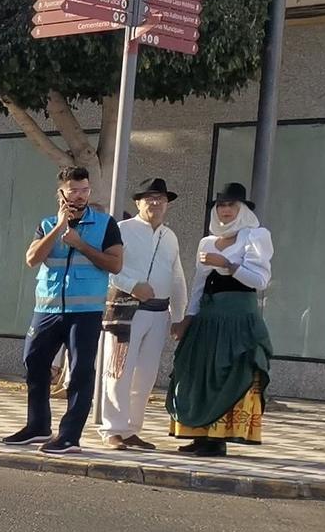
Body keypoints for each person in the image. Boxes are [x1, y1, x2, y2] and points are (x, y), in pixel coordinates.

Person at [3, 166, 124, 455]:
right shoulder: (46, 224)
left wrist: (80, 244)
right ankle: (37, 425)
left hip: (86, 311)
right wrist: (59, 228)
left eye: (84, 190)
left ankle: (69, 436)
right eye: (73, 190)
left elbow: (115, 264)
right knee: (34, 361)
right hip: (47, 308)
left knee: (81, 371)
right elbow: (32, 259)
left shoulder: (106, 224)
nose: (79, 196)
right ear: (61, 193)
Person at [167, 182, 273, 457]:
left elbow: (260, 280)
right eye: (221, 205)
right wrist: (187, 319)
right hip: (208, 318)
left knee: (230, 372)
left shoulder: (255, 236)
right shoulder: (207, 242)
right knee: (197, 372)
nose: (225, 210)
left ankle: (219, 438)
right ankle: (199, 434)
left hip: (238, 318)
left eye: (231, 205)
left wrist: (226, 264)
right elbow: (199, 285)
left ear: (242, 209)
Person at [98, 177, 188, 450]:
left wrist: (179, 316)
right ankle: (111, 429)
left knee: (146, 375)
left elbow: (177, 277)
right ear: (137, 202)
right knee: (118, 370)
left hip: (158, 313)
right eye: (149, 198)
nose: (155, 203)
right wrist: (133, 286)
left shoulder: (169, 236)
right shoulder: (121, 229)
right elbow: (108, 267)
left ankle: (131, 429)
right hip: (126, 310)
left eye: (160, 198)